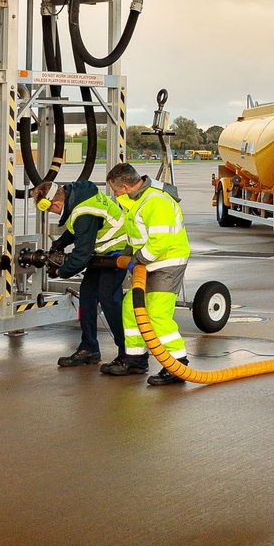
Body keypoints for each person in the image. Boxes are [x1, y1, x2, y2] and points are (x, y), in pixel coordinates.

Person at [34, 179, 144, 375]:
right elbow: (77, 228)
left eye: (49, 209)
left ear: (56, 203)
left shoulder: (84, 212)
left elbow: (81, 256)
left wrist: (60, 271)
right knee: (87, 295)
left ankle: (130, 355)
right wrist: (61, 242)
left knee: (108, 298)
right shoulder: (76, 197)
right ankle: (89, 348)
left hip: (117, 252)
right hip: (102, 253)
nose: (52, 212)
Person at [106, 163, 194, 385]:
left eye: (115, 190)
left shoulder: (156, 201)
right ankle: (135, 360)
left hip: (167, 263)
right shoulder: (135, 200)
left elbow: (160, 241)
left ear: (125, 187)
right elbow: (136, 234)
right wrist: (127, 253)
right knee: (130, 308)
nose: (114, 194)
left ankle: (177, 365)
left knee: (157, 314)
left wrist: (137, 259)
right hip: (148, 263)